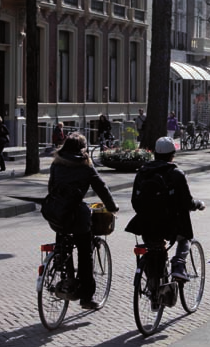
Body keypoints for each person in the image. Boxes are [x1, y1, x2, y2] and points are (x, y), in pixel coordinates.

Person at [47, 132, 119, 310]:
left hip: (57, 213)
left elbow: (51, 187)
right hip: (77, 215)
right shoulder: (85, 164)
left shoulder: (56, 163)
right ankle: (86, 298)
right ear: (82, 148)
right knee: (85, 254)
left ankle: (62, 267)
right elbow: (100, 187)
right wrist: (112, 206)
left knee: (62, 239)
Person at [125, 136, 205, 280]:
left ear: (155, 154)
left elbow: (134, 201)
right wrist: (198, 204)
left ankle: (152, 284)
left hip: (145, 223)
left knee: (152, 247)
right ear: (172, 155)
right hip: (170, 225)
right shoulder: (176, 174)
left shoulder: (142, 173)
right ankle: (179, 264)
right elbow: (187, 202)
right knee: (185, 237)